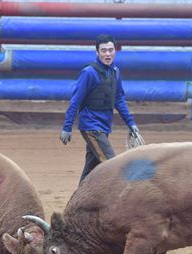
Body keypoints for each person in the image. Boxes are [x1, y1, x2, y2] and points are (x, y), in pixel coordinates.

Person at [60, 34, 141, 183]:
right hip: (91, 127)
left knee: (91, 169)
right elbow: (75, 101)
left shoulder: (115, 72)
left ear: (115, 51)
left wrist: (131, 123)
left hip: (104, 127)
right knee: (112, 165)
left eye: (110, 50)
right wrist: (67, 127)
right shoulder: (88, 73)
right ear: (97, 52)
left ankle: (78, 203)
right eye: (103, 51)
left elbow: (119, 99)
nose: (107, 54)